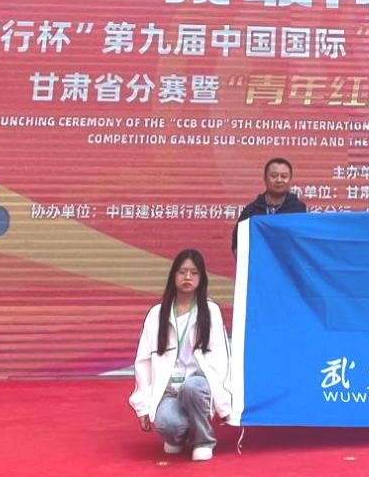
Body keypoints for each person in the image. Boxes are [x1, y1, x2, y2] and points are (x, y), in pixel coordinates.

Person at [129, 249, 232, 461]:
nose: (187, 277)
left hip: (198, 386)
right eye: (182, 272)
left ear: (201, 278)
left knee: (191, 387)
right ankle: (181, 434)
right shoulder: (157, 314)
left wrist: (223, 403)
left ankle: (203, 440)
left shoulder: (210, 311)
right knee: (167, 424)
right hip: (169, 391)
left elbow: (221, 358)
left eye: (194, 273)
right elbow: (143, 363)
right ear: (173, 275)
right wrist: (142, 406)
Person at [232, 158, 307, 253]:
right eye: (274, 176)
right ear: (265, 178)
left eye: (284, 176)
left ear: (290, 179)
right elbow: (237, 244)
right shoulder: (251, 210)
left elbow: (303, 243)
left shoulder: (298, 209)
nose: (279, 180)